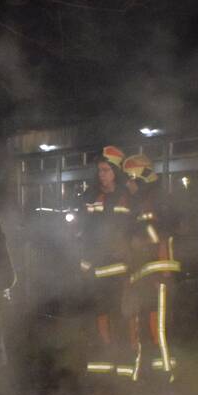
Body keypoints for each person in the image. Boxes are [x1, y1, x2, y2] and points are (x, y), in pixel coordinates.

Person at [78, 145, 135, 379]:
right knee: (101, 312)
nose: (101, 174)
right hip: (98, 268)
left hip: (122, 268)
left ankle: (128, 358)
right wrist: (84, 263)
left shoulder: (127, 195)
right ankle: (106, 354)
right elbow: (85, 230)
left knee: (123, 312)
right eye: (99, 170)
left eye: (105, 170)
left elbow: (134, 228)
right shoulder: (91, 197)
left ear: (115, 172)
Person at [123, 153, 181, 382]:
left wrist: (161, 276)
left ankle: (167, 376)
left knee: (159, 329)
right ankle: (152, 375)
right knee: (148, 327)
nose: (127, 183)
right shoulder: (143, 201)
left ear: (140, 178)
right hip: (147, 277)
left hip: (158, 278)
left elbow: (158, 236)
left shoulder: (155, 201)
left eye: (130, 178)